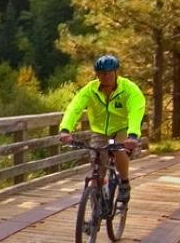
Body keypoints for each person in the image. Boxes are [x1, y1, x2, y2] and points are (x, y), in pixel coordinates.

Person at [58, 54, 145, 202]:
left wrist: (133, 135)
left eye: (110, 72)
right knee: (98, 165)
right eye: (102, 73)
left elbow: (136, 112)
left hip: (122, 128)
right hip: (100, 131)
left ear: (116, 72)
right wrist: (65, 129)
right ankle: (94, 208)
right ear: (97, 74)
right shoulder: (90, 90)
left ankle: (124, 183)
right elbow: (74, 108)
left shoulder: (129, 89)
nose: (107, 76)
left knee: (119, 151)